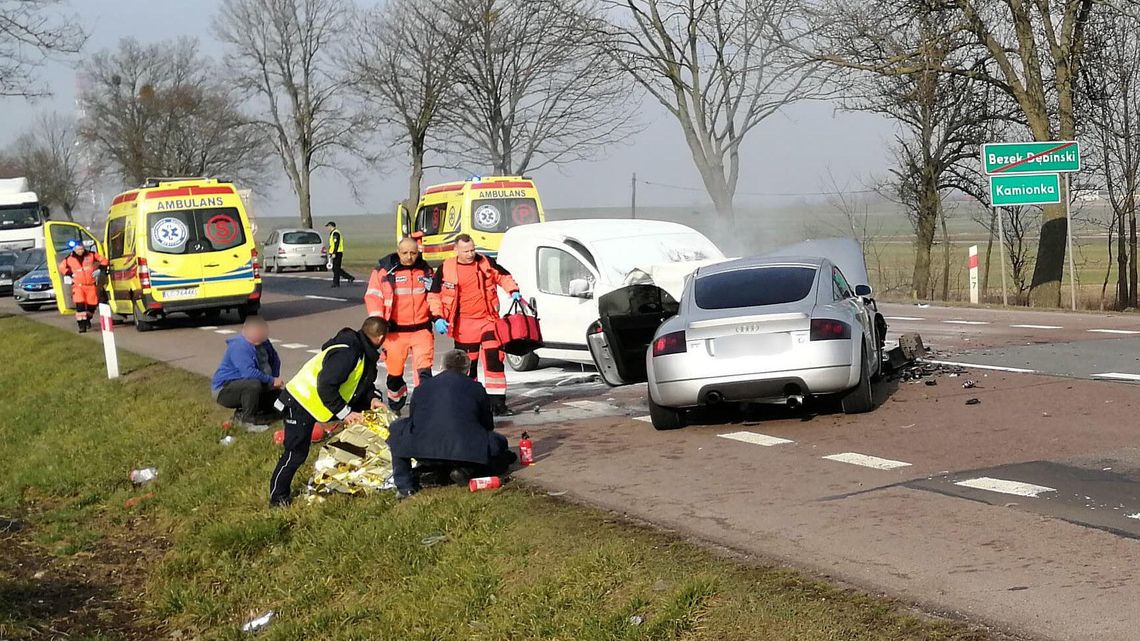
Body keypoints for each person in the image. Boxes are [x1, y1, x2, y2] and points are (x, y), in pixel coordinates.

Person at [268, 317, 388, 507]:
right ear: (380, 337)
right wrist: (345, 413)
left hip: (319, 404)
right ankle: (278, 498)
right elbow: (326, 385)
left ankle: (361, 468)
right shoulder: (349, 352)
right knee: (295, 453)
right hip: (300, 402)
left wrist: (372, 399)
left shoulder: (364, 353)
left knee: (367, 419)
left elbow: (361, 385)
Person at [387, 350, 518, 499]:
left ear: (442, 367)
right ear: (467, 370)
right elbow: (487, 425)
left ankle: (405, 486)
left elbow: (414, 419)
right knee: (499, 443)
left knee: (397, 428)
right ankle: (468, 471)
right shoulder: (476, 388)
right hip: (465, 452)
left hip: (424, 450)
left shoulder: (422, 388)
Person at [428, 234, 522, 416]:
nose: (471, 254)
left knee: (495, 362)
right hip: (463, 326)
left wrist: (513, 290)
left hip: (488, 321)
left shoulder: (485, 262)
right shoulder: (446, 268)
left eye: (472, 250)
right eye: (466, 251)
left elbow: (503, 277)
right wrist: (437, 317)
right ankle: (469, 404)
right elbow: (434, 296)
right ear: (456, 250)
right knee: (466, 366)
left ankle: (498, 404)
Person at [364, 236, 440, 413]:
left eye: (413, 253)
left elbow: (434, 295)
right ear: (398, 252)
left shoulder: (427, 271)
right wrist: (378, 322)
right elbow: (374, 296)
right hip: (395, 333)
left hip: (421, 330)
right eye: (405, 253)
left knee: (424, 372)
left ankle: (424, 408)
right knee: (395, 375)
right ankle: (396, 404)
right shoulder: (384, 272)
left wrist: (438, 316)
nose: (409, 257)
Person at [210, 317, 283, 430]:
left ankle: (253, 414)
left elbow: (275, 360)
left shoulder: (265, 343)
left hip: (258, 384)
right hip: (225, 389)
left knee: (281, 397)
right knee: (253, 385)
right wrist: (271, 381)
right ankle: (247, 421)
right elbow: (248, 372)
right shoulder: (240, 346)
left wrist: (273, 380)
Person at [58, 239, 109, 333]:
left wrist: (100, 269)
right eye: (77, 249)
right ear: (74, 250)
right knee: (80, 305)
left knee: (92, 305)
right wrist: (69, 273)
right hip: (78, 286)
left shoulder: (91, 255)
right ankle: (82, 326)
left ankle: (87, 319)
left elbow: (104, 260)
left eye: (81, 249)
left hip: (90, 285)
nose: (80, 251)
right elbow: (61, 267)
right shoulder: (69, 259)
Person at [325, 221, 356, 288]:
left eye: (328, 226)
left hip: (337, 253)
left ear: (331, 226)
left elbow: (336, 244)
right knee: (336, 268)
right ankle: (349, 277)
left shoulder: (336, 233)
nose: (328, 228)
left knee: (336, 268)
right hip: (335, 252)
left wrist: (334, 253)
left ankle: (336, 283)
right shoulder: (333, 233)